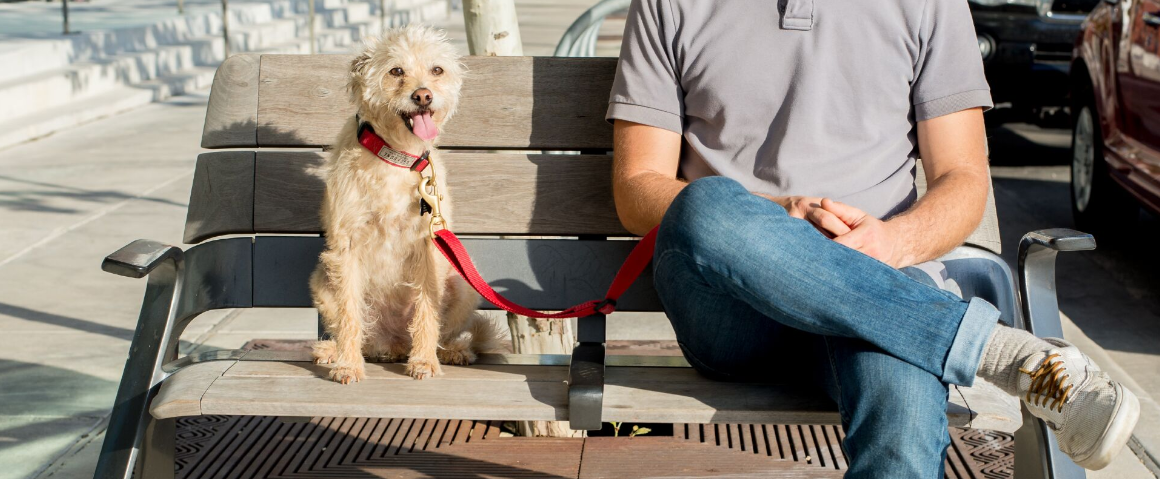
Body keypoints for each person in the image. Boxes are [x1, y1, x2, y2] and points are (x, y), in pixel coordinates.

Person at [605, 0, 1140, 476]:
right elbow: (636, 190)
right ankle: (1003, 354)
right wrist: (775, 215)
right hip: (730, 311)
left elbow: (963, 177)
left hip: (883, 293)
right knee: (708, 205)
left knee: (902, 405)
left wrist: (895, 241)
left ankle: (977, 346)